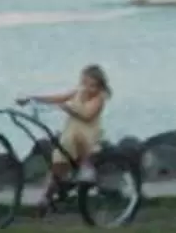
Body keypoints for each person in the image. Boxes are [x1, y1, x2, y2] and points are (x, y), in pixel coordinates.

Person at [25, 65, 112, 204]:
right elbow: (59, 98)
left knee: (77, 138)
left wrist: (68, 109)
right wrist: (33, 98)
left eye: (93, 86)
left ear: (100, 86)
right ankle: (46, 198)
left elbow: (87, 115)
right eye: (85, 84)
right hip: (70, 133)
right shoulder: (79, 92)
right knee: (57, 166)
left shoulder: (99, 98)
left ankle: (87, 168)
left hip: (88, 133)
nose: (88, 89)